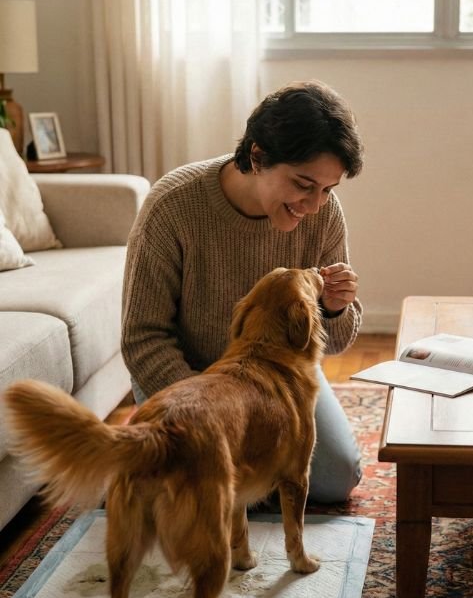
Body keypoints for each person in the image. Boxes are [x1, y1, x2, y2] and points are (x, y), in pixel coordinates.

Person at [121, 80, 364, 503]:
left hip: (275, 378)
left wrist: (334, 310)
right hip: (189, 376)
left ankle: (182, 465)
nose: (314, 204)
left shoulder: (324, 216)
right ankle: (151, 453)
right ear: (257, 156)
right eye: (304, 185)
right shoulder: (174, 205)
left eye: (328, 190)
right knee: (212, 483)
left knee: (333, 480)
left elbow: (336, 344)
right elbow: (142, 338)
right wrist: (213, 407)